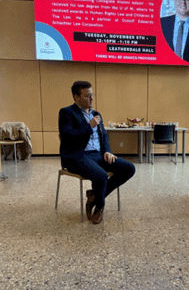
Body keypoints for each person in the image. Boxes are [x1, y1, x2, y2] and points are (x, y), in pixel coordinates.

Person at [58, 81, 136, 224]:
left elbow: (104, 135)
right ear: (76, 97)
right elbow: (68, 136)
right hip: (77, 156)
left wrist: (107, 151)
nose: (92, 99)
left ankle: (95, 195)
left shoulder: (96, 114)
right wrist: (89, 126)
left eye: (92, 95)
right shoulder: (67, 113)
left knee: (129, 168)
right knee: (101, 176)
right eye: (87, 96)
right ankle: (99, 207)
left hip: (98, 154)